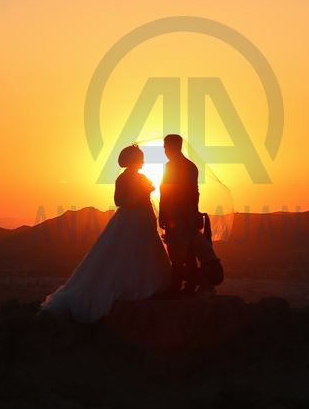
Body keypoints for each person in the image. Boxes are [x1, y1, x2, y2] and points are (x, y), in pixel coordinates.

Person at [41, 144, 171, 323]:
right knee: (126, 250)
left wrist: (145, 192)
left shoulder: (141, 177)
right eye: (140, 157)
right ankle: (133, 287)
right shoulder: (123, 179)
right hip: (131, 220)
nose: (142, 160)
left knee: (145, 249)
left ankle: (149, 285)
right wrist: (140, 195)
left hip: (143, 218)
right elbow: (119, 201)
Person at [158, 134, 222, 294]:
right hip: (187, 215)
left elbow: (167, 193)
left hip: (178, 216)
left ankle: (177, 286)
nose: (165, 150)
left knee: (178, 253)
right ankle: (189, 285)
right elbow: (194, 194)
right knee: (188, 251)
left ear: (174, 147)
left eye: (166, 147)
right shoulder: (190, 166)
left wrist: (165, 215)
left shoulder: (172, 167)